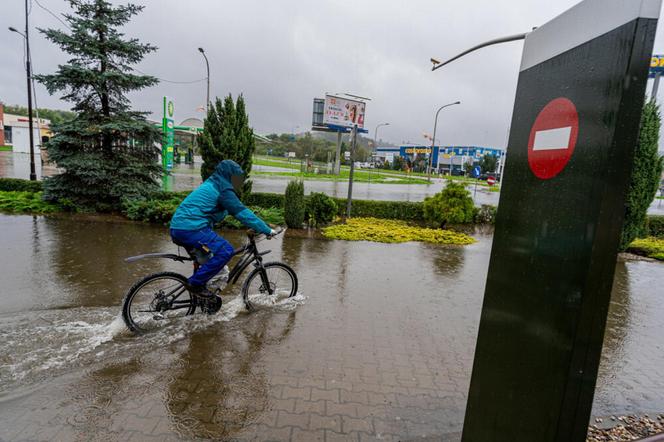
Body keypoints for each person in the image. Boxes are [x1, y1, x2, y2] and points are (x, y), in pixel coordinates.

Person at [170, 160, 275, 299]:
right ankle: (195, 284)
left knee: (212, 263)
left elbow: (228, 211)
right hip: (191, 229)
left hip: (179, 228)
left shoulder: (213, 183)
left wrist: (259, 223)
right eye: (237, 178)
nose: (239, 182)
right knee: (226, 250)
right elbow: (241, 212)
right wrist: (267, 230)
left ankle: (202, 299)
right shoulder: (223, 189)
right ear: (230, 176)